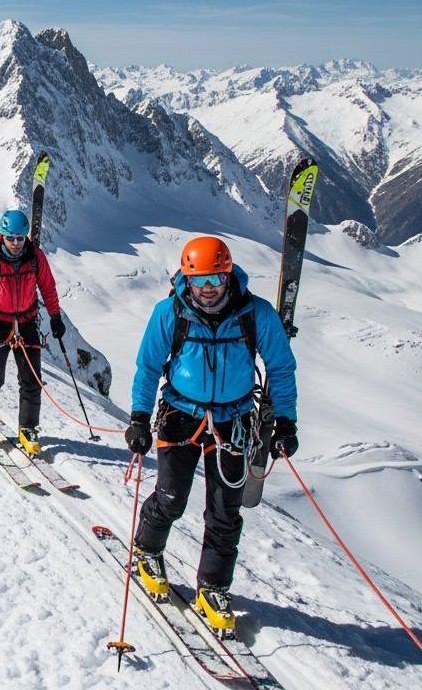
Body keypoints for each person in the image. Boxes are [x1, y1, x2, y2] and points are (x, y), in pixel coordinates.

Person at [125, 236, 297, 636]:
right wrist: (139, 418)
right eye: (198, 279)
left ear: (228, 274)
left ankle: (214, 587)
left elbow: (281, 369)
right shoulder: (170, 312)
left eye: (215, 279)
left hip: (233, 421)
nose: (206, 288)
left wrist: (286, 423)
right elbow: (148, 367)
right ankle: (147, 550)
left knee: (225, 511)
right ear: (186, 278)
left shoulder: (257, 314)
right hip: (180, 415)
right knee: (171, 496)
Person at [0, 209, 63, 455]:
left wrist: (55, 317)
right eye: (11, 238)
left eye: (20, 237)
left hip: (27, 321)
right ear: (3, 235)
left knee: (32, 379)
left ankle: (27, 427)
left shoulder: (35, 257)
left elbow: (48, 287)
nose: (16, 243)